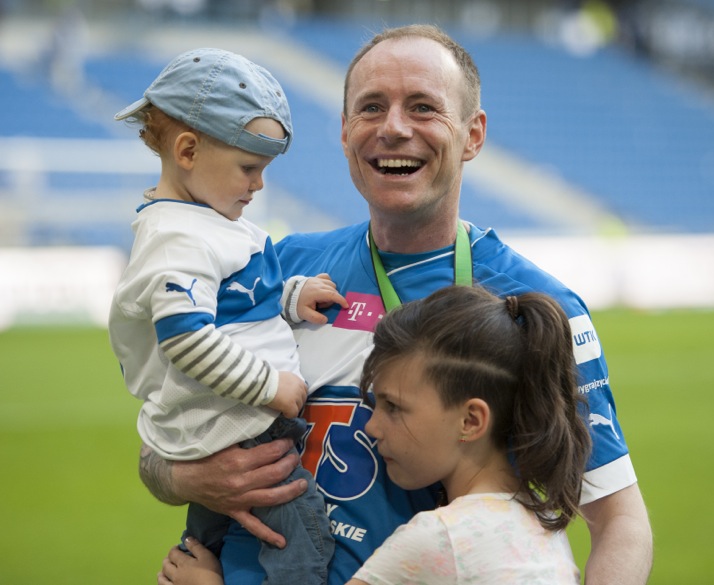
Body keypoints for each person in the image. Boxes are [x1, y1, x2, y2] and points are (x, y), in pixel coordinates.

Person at [140, 26, 653, 585]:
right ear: (343, 132)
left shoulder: (537, 306)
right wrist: (184, 480)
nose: (393, 129)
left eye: (424, 108)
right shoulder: (275, 269)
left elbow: (618, 520)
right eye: (371, 108)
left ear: (473, 135)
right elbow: (162, 440)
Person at [158, 285, 592, 585]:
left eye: (393, 407)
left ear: (471, 422)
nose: (370, 427)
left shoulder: (437, 537)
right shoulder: (541, 527)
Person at [108, 47, 343, 584]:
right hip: (241, 432)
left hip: (232, 431)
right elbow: (187, 337)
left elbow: (236, 300)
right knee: (302, 546)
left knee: (208, 544)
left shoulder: (205, 221)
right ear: (187, 150)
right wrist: (270, 387)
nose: (258, 184)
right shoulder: (177, 238)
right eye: (248, 168)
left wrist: (290, 298)